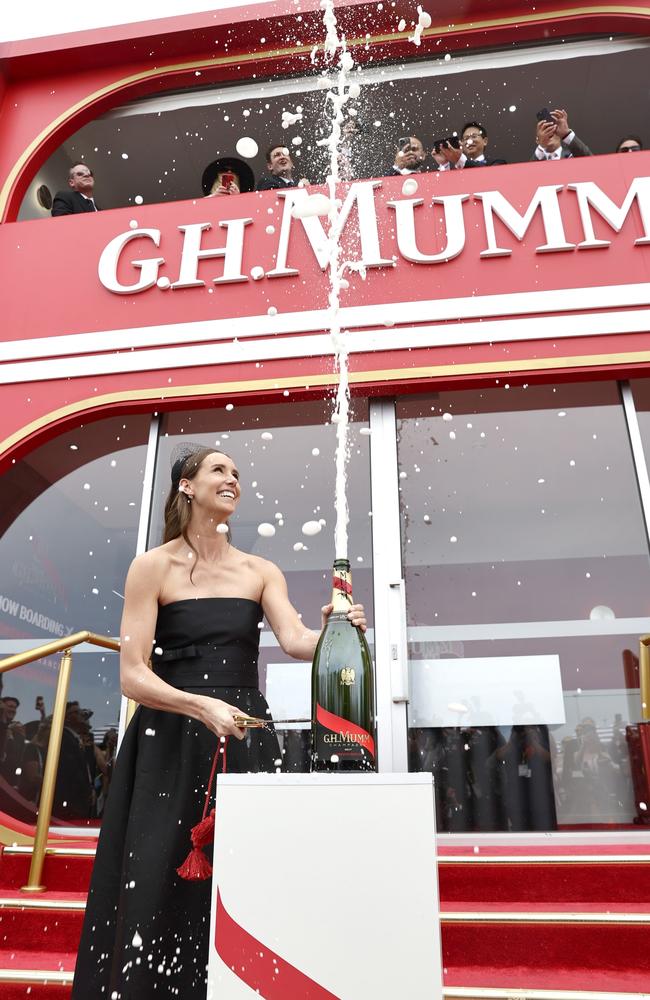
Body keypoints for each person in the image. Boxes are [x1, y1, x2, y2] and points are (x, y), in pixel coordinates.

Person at [72, 444, 366, 998]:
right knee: (157, 868)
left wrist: (336, 629)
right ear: (187, 485)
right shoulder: (150, 567)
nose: (232, 479)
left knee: (248, 869)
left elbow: (296, 641)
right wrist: (198, 704)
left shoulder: (260, 571)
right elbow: (133, 675)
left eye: (237, 473)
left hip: (245, 736)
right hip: (166, 739)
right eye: (219, 470)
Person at [433, 121, 507, 169]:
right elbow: (445, 188)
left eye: (474, 136)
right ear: (461, 143)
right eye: (466, 138)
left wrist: (460, 159)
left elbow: (489, 176)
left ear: (485, 141)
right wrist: (444, 164)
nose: (469, 141)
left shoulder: (498, 163)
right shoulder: (456, 169)